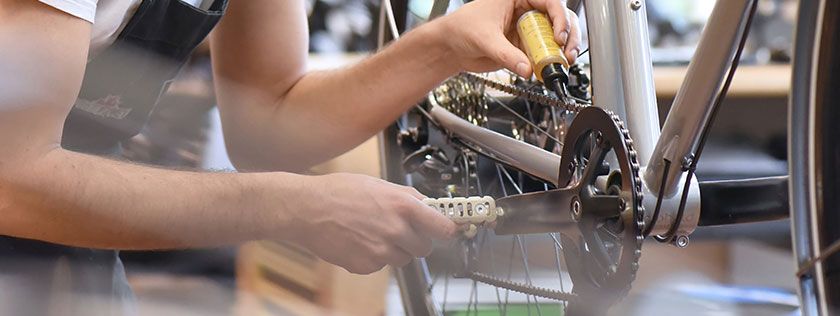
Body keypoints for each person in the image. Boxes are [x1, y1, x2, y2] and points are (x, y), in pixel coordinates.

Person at [0, 0, 581, 314]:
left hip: (65, 248)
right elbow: (14, 178)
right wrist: (288, 207)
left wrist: (447, 43)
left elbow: (268, 121)